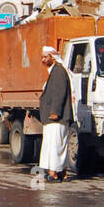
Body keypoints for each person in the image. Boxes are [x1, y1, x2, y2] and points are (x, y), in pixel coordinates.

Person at [37, 45, 74, 181]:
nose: (43, 60)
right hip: (52, 118)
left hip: (57, 118)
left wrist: (55, 111)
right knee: (55, 144)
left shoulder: (58, 71)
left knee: (55, 145)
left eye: (45, 57)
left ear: (52, 57)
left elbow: (59, 93)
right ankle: (62, 172)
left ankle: (53, 172)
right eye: (42, 57)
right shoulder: (54, 71)